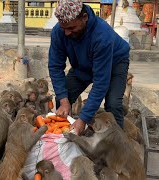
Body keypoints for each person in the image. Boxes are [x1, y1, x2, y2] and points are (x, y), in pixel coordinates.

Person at [48, 0, 130, 135]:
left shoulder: (102, 35)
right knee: (63, 97)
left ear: (84, 18)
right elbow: (55, 66)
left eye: (71, 28)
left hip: (115, 62)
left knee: (113, 106)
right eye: (64, 28)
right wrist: (63, 100)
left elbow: (100, 83)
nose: (67, 33)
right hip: (83, 65)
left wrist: (83, 119)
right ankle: (63, 136)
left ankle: (118, 145)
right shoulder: (59, 32)